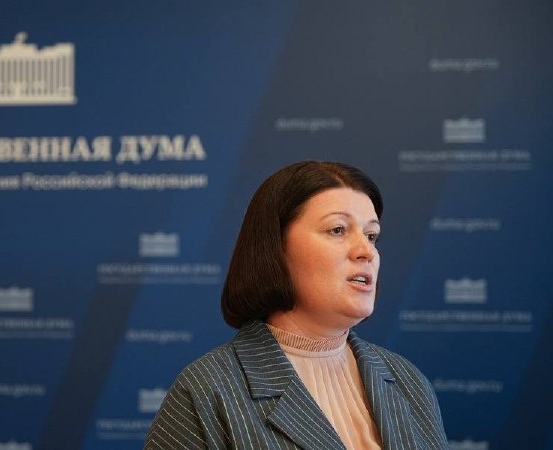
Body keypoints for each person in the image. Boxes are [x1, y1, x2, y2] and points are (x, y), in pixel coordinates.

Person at [144, 161, 448, 450]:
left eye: (371, 235)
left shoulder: (408, 381)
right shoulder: (205, 391)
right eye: (338, 230)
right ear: (275, 247)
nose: (366, 251)